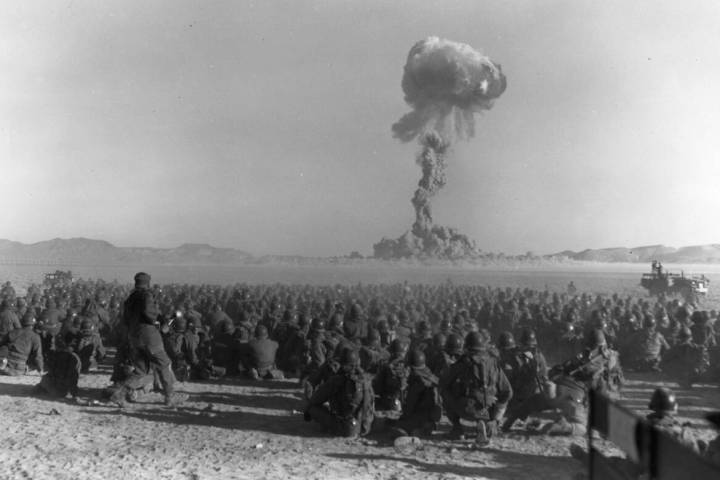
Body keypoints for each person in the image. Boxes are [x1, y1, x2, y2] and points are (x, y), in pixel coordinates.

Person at [110, 272, 185, 407]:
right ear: (148, 283)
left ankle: (118, 393)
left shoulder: (130, 298)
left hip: (133, 336)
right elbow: (149, 312)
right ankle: (170, 396)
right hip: (149, 336)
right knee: (164, 363)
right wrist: (160, 321)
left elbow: (126, 319)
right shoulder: (146, 295)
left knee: (140, 370)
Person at [440, 331, 513, 446]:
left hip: (467, 408)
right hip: (489, 409)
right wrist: (496, 417)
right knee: (497, 398)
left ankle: (457, 429)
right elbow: (508, 391)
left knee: (445, 392)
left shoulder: (463, 362)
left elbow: (444, 385)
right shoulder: (493, 362)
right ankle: (489, 424)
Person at [304, 347, 374, 438]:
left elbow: (316, 399)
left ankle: (330, 428)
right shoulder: (366, 380)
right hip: (361, 427)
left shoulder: (337, 380)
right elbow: (370, 405)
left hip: (344, 428)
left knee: (312, 408)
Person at [389, 349, 442, 438]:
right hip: (433, 418)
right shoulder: (431, 376)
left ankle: (417, 430)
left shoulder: (417, 381)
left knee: (394, 426)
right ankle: (424, 428)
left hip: (421, 417)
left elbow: (409, 406)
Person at [0, 312, 43, 376]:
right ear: (33, 324)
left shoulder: (13, 332)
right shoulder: (35, 337)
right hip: (20, 368)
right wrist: (40, 369)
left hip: (7, 363)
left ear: (22, 322)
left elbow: (1, 342)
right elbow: (38, 356)